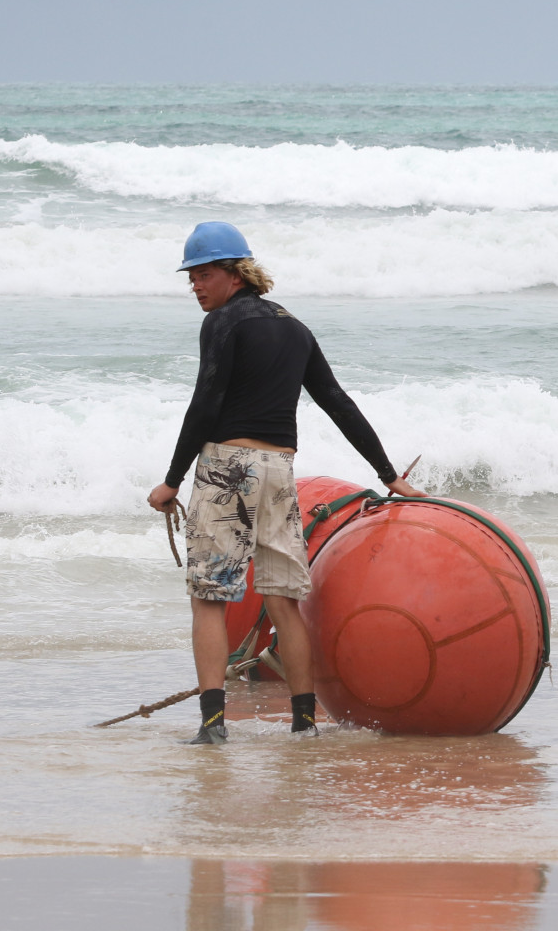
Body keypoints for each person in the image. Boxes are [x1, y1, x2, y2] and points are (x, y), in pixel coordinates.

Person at [147, 222, 416, 745]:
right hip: (279, 473)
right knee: (282, 600)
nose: (195, 286)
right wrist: (389, 476)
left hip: (229, 467)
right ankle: (304, 724)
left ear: (234, 273)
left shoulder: (224, 322)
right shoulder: (295, 327)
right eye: (191, 278)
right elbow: (338, 402)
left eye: (203, 274)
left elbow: (205, 403)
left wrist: (171, 481)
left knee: (210, 597)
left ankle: (211, 726)